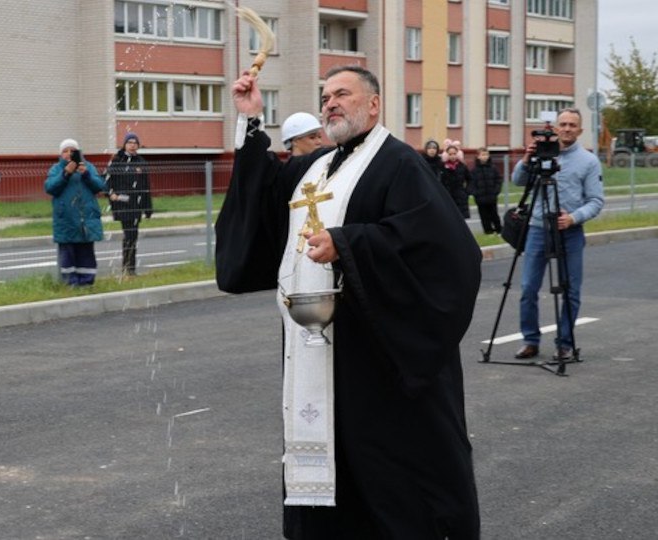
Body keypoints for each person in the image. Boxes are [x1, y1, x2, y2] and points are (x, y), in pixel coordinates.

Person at [215, 66, 481, 538]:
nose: (331, 103)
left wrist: (350, 243)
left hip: (379, 355)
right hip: (316, 346)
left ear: (373, 104)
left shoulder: (399, 163)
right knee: (332, 467)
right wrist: (253, 121)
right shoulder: (315, 167)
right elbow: (262, 198)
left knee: (389, 471)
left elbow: (445, 250)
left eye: (342, 94)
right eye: (325, 97)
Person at [510, 108, 604, 361]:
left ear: (580, 130)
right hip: (538, 229)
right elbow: (517, 181)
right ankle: (530, 340)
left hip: (570, 231)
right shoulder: (541, 153)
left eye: (572, 125)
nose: (567, 128)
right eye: (563, 124)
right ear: (556, 127)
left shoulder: (588, 161)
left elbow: (596, 200)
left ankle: (565, 343)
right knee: (528, 287)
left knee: (571, 290)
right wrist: (527, 159)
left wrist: (573, 217)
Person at [45, 138, 106, 286]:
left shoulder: (88, 167)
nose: (68, 154)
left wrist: (86, 175)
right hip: (66, 220)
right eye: (65, 151)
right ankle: (70, 283)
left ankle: (87, 282)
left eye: (72, 151)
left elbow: (99, 186)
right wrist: (65, 174)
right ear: (60, 154)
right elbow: (50, 187)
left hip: (86, 219)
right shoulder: (56, 169)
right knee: (68, 253)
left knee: (86, 253)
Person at [105, 132, 153, 276]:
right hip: (122, 204)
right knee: (129, 234)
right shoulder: (117, 160)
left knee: (133, 235)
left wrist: (147, 208)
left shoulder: (141, 162)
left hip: (136, 204)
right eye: (130, 142)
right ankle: (128, 267)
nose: (132, 145)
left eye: (135, 143)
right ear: (124, 144)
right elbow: (106, 180)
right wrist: (111, 193)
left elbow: (145, 186)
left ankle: (129, 267)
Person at [469, 148, 504, 235]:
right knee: (484, 216)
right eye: (482, 155)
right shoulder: (474, 170)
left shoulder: (493, 168)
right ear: (478, 156)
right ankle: (488, 231)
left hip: (491, 196)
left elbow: (498, 179)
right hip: (480, 198)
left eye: (486, 155)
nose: (485, 157)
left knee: (494, 214)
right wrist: (475, 193)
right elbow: (471, 183)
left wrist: (496, 190)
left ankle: (499, 229)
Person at [440, 142, 472, 218]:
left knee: (461, 218)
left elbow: (470, 179)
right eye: (450, 154)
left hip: (460, 196)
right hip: (447, 196)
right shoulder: (442, 167)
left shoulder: (462, 166)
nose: (453, 156)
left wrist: (467, 191)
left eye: (454, 154)